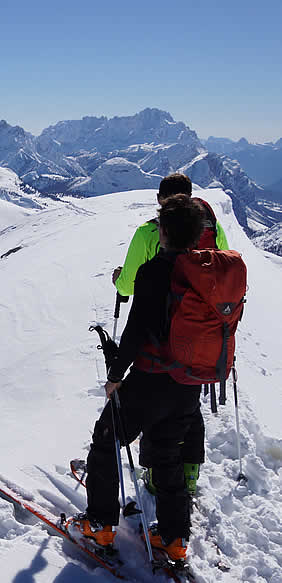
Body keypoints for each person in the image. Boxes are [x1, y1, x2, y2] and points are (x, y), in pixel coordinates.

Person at [70, 195, 213, 561]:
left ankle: (101, 525)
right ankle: (175, 538)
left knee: (106, 441)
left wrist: (116, 375)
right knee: (167, 455)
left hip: (150, 381)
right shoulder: (205, 275)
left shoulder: (153, 272)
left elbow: (135, 332)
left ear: (161, 231)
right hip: (188, 386)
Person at [112, 173, 229, 496]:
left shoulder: (149, 232)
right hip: (202, 336)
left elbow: (130, 284)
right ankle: (189, 472)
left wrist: (117, 280)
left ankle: (157, 474)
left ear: (160, 201)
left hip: (160, 337)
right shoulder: (212, 228)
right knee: (188, 403)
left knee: (158, 406)